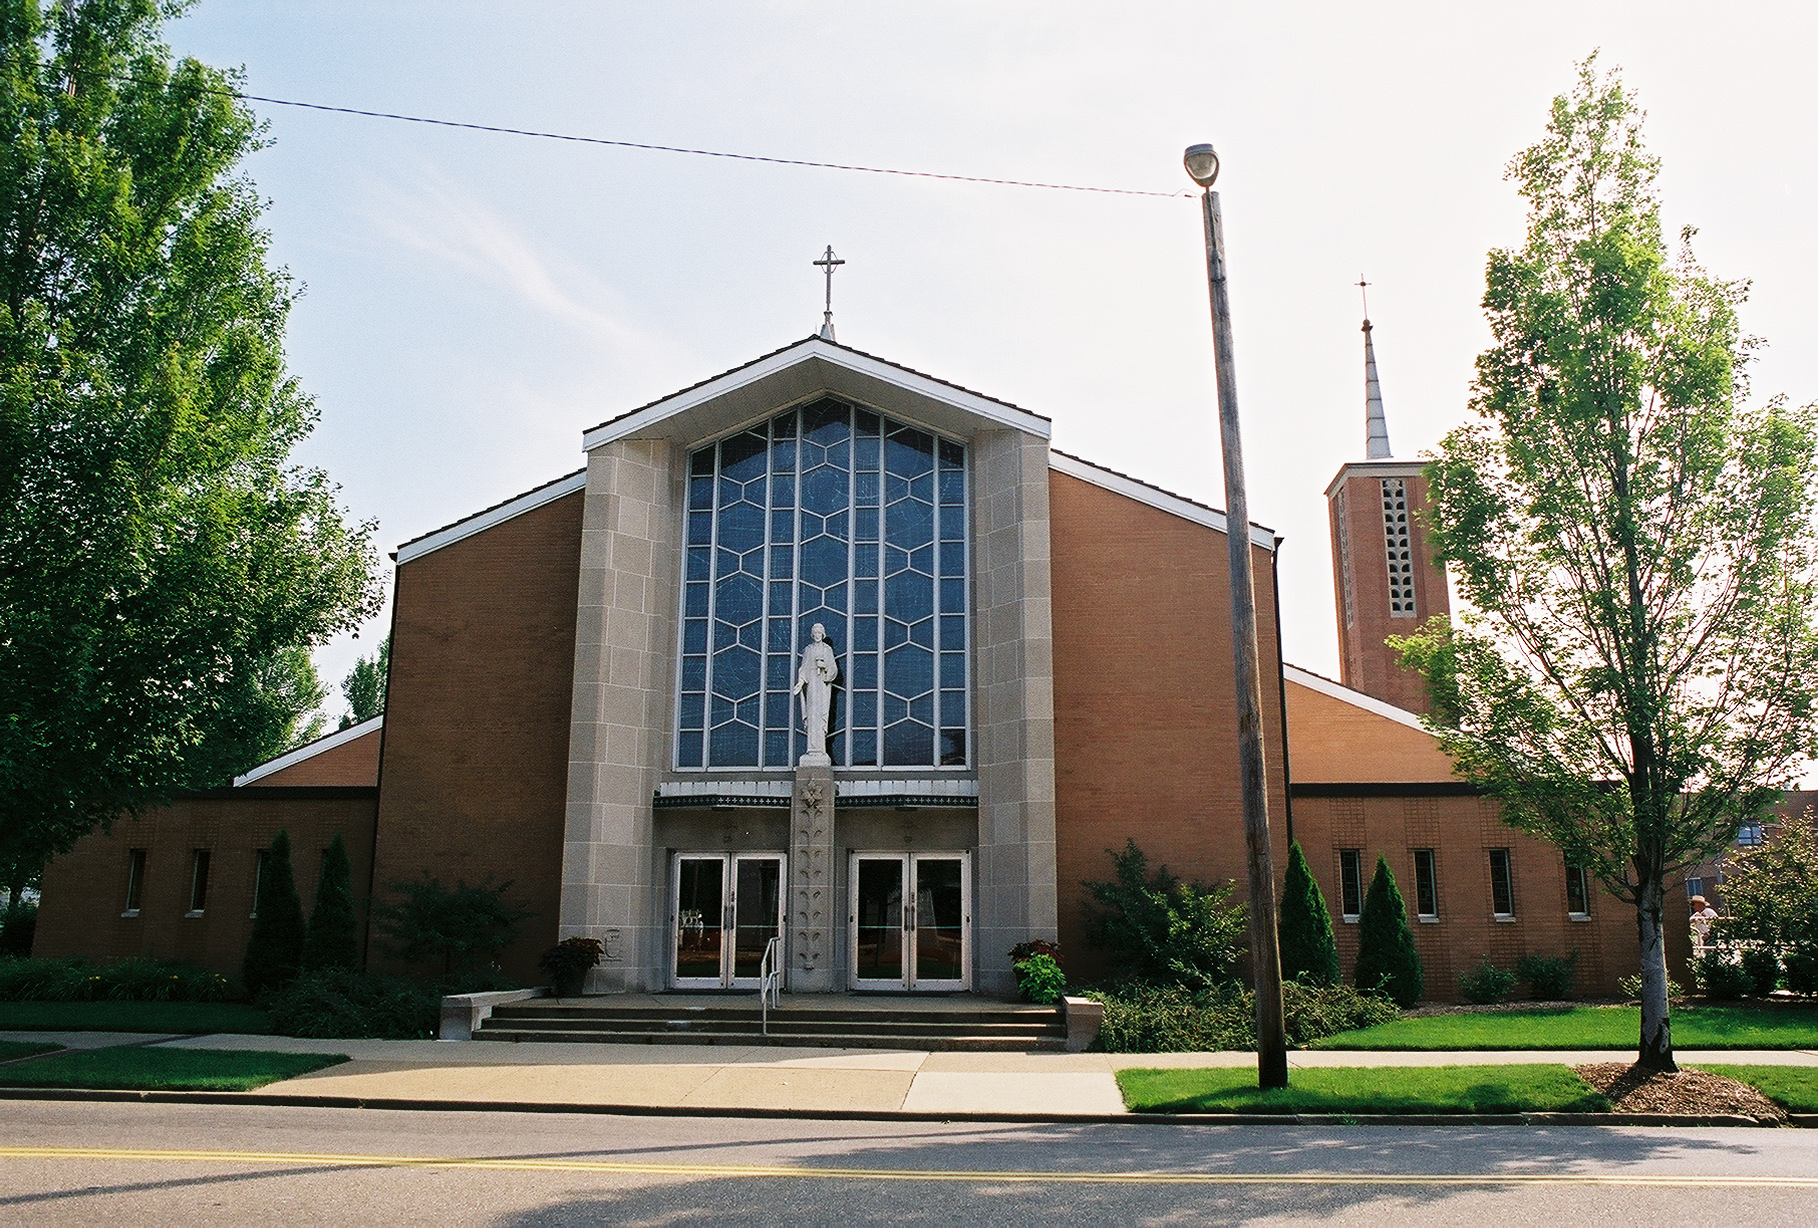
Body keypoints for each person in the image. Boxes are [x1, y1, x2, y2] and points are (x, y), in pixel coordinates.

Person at [792, 623, 838, 762]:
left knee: (820, 716)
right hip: (811, 686)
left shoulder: (827, 649)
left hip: (822, 687)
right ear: (812, 634)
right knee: (812, 716)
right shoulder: (808, 650)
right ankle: (812, 749)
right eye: (815, 633)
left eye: (820, 633)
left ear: (823, 634)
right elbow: (804, 669)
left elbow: (833, 669)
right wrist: (800, 682)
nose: (817, 635)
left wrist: (825, 666)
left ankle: (820, 749)